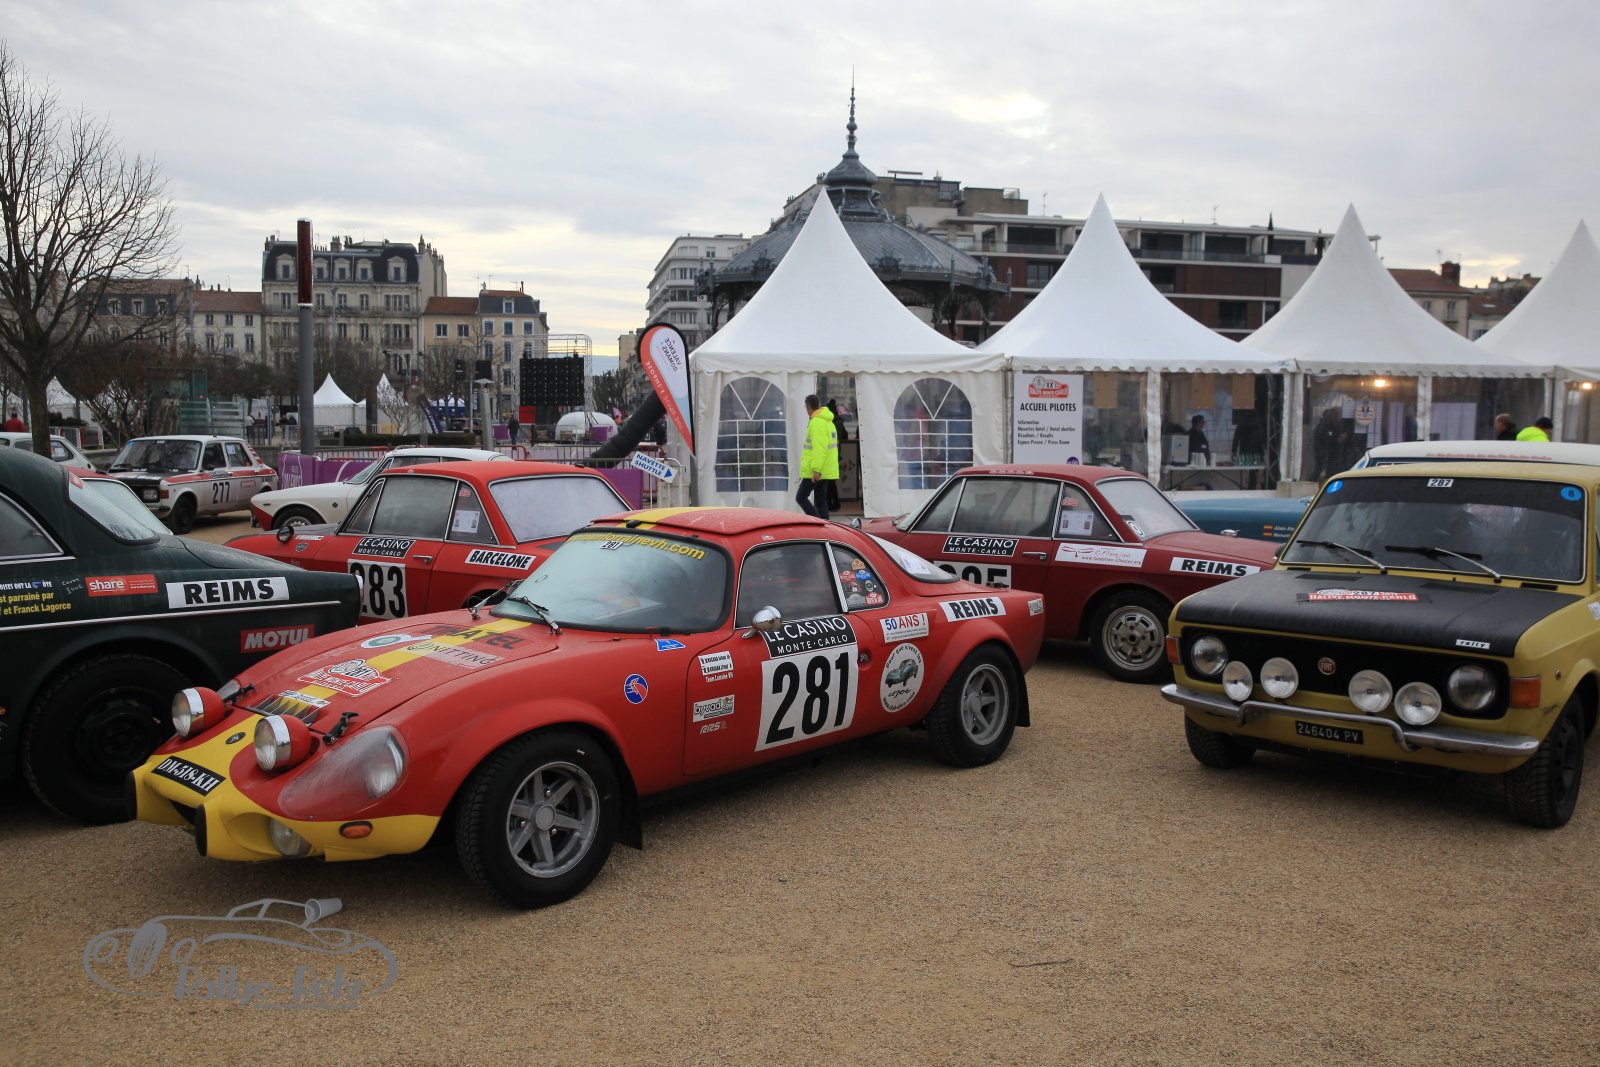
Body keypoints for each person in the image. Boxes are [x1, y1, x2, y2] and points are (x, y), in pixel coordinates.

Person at [795, 394, 838, 520]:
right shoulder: (827, 421)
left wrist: (816, 470)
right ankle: (826, 527)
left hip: (816, 470)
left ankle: (817, 523)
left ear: (808, 407)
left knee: (801, 497)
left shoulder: (817, 423)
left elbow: (820, 448)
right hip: (825, 468)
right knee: (820, 500)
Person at [826, 399, 848, 510]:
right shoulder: (839, 421)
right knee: (831, 481)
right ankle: (834, 503)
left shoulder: (829, 422)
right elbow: (845, 436)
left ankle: (832, 504)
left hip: (829, 455)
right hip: (836, 454)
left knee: (828, 482)